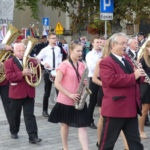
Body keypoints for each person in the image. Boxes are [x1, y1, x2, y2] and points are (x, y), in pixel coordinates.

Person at [99, 33, 144, 150]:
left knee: (136, 144)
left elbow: (136, 79)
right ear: (113, 45)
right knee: (107, 145)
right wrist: (134, 76)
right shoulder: (106, 62)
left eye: (126, 44)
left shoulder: (128, 60)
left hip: (130, 109)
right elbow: (111, 81)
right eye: (122, 44)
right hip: (116, 109)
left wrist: (140, 74)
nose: (125, 46)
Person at [48, 41, 90, 150]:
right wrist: (70, 95)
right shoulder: (64, 65)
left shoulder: (82, 65)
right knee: (65, 125)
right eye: (78, 51)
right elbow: (56, 83)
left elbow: (82, 80)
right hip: (66, 100)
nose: (80, 53)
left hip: (79, 100)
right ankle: (65, 148)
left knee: (82, 126)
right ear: (71, 50)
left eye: (81, 51)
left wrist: (85, 83)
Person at [92, 39, 129, 150]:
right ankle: (99, 142)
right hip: (104, 92)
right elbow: (94, 78)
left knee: (122, 118)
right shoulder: (101, 61)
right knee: (103, 119)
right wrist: (105, 84)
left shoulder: (121, 59)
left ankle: (127, 145)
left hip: (118, 93)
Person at [4, 43, 41, 144]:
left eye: (23, 51)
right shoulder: (8, 62)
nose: (21, 53)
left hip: (29, 92)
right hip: (16, 92)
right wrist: (22, 73)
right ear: (14, 52)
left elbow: (36, 74)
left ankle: (33, 137)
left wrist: (38, 65)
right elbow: (9, 77)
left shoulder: (31, 61)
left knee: (29, 115)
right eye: (19, 51)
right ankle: (14, 131)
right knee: (15, 115)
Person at [37, 32, 62, 117]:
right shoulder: (44, 50)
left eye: (56, 38)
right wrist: (44, 63)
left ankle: (60, 111)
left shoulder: (58, 49)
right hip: (48, 72)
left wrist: (60, 66)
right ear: (48, 39)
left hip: (57, 72)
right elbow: (37, 59)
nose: (55, 40)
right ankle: (44, 111)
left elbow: (59, 59)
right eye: (53, 38)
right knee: (47, 92)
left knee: (59, 92)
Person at [86, 36, 103, 129]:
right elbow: (92, 68)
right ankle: (89, 120)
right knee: (93, 100)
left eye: (100, 42)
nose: (99, 44)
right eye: (97, 42)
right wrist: (101, 62)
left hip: (103, 78)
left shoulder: (103, 53)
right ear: (92, 43)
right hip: (93, 78)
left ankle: (103, 119)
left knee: (103, 100)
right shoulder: (89, 55)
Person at [0, 43, 13, 135]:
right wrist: (3, 46)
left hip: (3, 81)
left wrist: (11, 49)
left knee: (9, 106)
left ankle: (14, 129)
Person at [138, 40, 150, 139]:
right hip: (146, 88)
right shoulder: (143, 59)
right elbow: (139, 73)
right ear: (146, 48)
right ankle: (141, 131)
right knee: (144, 110)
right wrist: (144, 79)